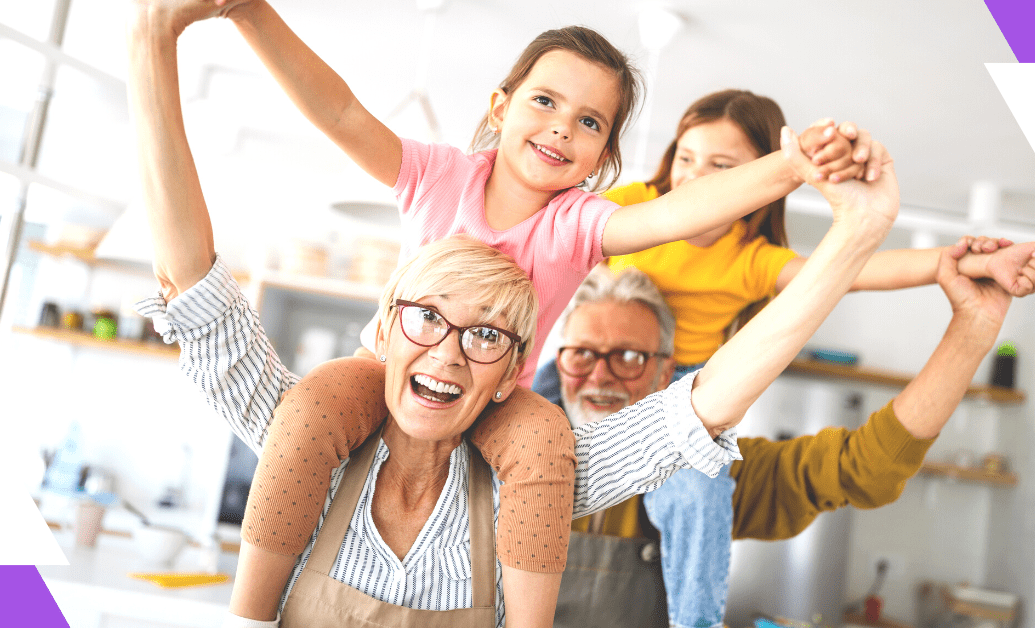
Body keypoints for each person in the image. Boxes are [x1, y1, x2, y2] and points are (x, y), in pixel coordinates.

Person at [126, 0, 903, 622]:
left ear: (603, 159)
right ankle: (247, 613)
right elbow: (338, 113)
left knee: (543, 443)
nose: (564, 126)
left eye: (590, 122)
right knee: (309, 407)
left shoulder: (577, 223)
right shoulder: (436, 175)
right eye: (545, 101)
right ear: (500, 107)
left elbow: (680, 213)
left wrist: (792, 167)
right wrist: (248, 11)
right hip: (373, 376)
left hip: (503, 404)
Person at [531, 88, 1035, 628]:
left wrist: (965, 278)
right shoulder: (632, 209)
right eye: (686, 160)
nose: (694, 182)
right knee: (520, 450)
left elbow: (849, 277)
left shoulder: (747, 260)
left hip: (690, 394)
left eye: (722, 169)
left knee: (697, 492)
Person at [546, 249, 1035, 627]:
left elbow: (865, 466)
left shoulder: (708, 475)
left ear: (665, 373)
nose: (600, 376)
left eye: (630, 357)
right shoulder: (513, 461)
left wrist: (971, 328)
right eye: (582, 354)